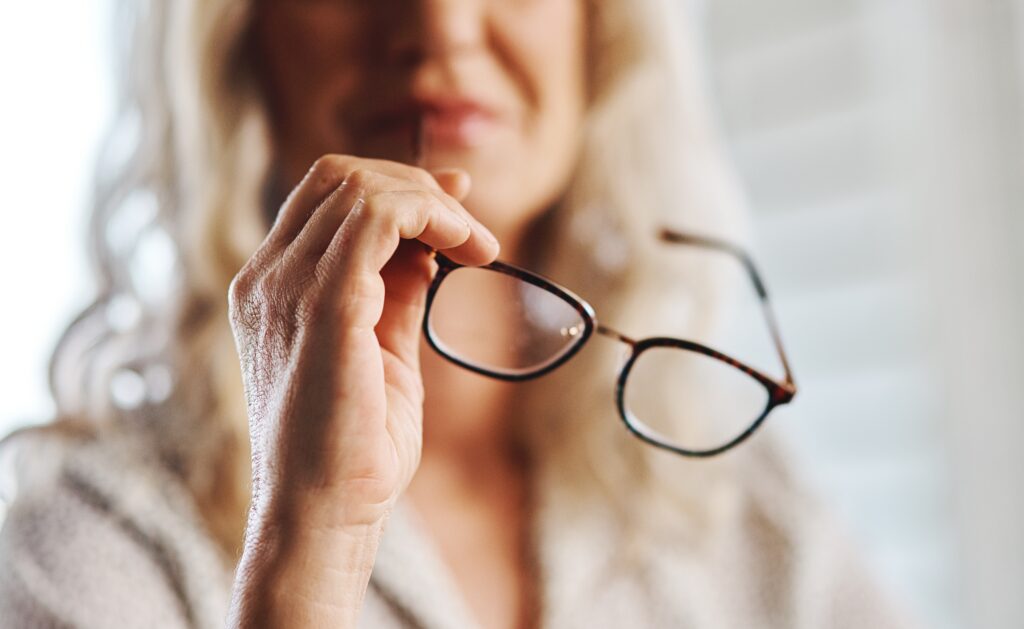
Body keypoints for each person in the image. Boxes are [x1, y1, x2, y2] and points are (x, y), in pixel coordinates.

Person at [0, 0, 912, 627]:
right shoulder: (90, 544)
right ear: (240, 40)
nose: (440, 27)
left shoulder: (736, 508)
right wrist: (308, 547)